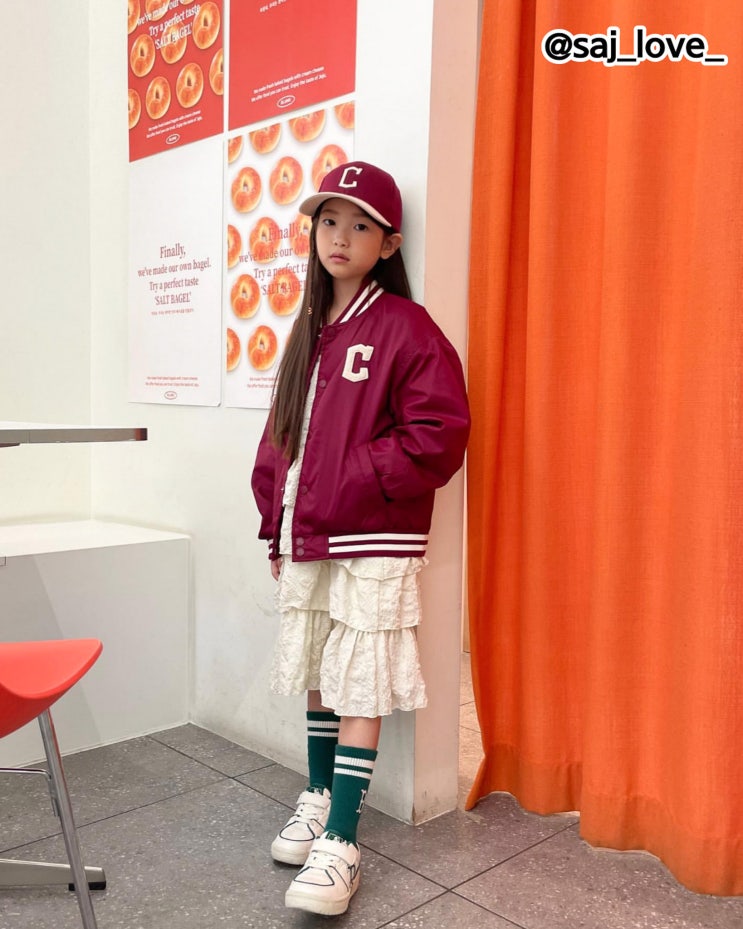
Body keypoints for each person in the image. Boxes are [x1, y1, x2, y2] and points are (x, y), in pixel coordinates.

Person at [251, 161, 470, 916]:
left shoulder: (405, 327)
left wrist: (355, 476)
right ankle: (318, 796)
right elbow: (280, 438)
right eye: (328, 221)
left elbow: (439, 434)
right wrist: (274, 521)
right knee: (320, 660)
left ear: (389, 243)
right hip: (309, 530)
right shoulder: (309, 331)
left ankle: (343, 838)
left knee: (361, 674)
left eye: (359, 225)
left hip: (373, 534)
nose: (339, 237)